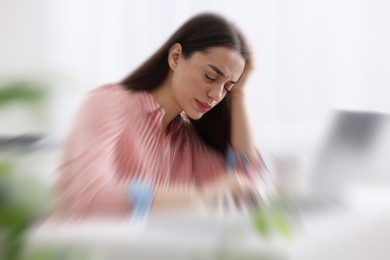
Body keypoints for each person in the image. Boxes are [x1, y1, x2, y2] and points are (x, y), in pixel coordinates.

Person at [53, 13, 266, 221]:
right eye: (210, 76)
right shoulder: (108, 103)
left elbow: (245, 188)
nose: (216, 95)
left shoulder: (186, 141)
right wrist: (201, 196)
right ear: (175, 57)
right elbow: (90, 196)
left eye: (227, 87)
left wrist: (239, 93)